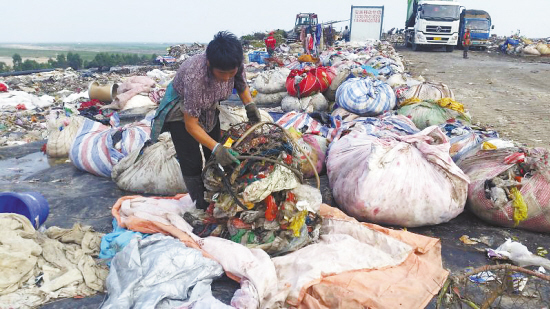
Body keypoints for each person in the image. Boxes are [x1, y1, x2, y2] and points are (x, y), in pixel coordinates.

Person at [151, 31, 261, 209]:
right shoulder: (197, 77)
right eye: (221, 73)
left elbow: (241, 84)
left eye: (230, 73)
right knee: (192, 160)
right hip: (182, 114)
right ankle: (200, 204)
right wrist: (217, 148)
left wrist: (250, 105)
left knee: (215, 155)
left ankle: (218, 194)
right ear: (209, 64)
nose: (226, 78)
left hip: (209, 109)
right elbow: (191, 124)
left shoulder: (236, 64)